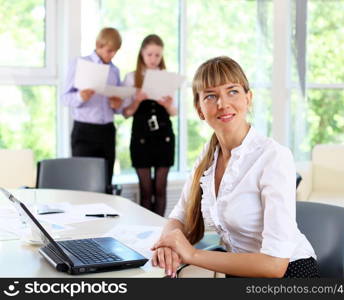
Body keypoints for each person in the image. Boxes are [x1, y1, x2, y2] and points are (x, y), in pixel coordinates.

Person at [150, 56, 319, 278]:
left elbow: (274, 265)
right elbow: (179, 217)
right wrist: (167, 243)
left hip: (290, 272)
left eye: (232, 91)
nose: (223, 104)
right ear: (200, 109)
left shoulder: (273, 157)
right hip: (241, 270)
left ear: (248, 98)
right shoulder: (208, 155)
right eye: (211, 96)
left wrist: (191, 254)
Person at [62, 27, 124, 189]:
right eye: (109, 50)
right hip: (84, 132)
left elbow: (117, 107)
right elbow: (64, 98)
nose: (111, 55)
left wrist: (117, 105)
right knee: (83, 183)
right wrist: (80, 97)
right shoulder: (79, 64)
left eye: (115, 52)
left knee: (105, 182)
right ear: (98, 45)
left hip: (107, 132)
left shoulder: (114, 71)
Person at [122, 34, 176, 216]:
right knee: (146, 192)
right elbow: (125, 113)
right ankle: (145, 238)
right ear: (142, 54)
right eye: (150, 54)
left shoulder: (166, 77)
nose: (153, 59)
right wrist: (137, 100)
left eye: (157, 55)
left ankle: (160, 235)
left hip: (164, 137)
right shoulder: (131, 78)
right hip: (141, 139)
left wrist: (168, 105)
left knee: (161, 190)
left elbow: (174, 112)